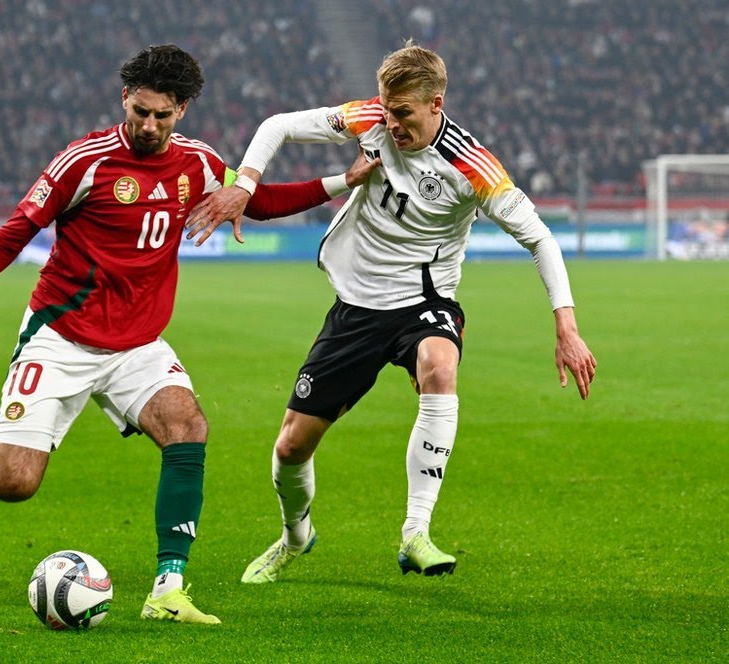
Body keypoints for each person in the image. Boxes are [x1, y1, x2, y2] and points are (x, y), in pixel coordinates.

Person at [0, 44, 376, 625]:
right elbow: (12, 236)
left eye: (161, 115)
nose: (147, 125)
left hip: (138, 345)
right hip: (61, 337)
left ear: (182, 110)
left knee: (188, 427)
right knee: (10, 484)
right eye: (139, 111)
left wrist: (341, 180)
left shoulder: (196, 162)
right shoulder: (84, 161)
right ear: (125, 99)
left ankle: (167, 589)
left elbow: (257, 200)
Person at [186, 40, 597, 583]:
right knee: (291, 446)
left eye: (402, 112)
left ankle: (415, 532)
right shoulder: (370, 118)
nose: (390, 123)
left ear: (435, 103)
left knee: (439, 368)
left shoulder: (473, 166)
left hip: (425, 302)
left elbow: (541, 240)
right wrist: (245, 183)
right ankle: (295, 536)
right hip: (356, 308)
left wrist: (566, 327)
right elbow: (277, 125)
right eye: (386, 108)